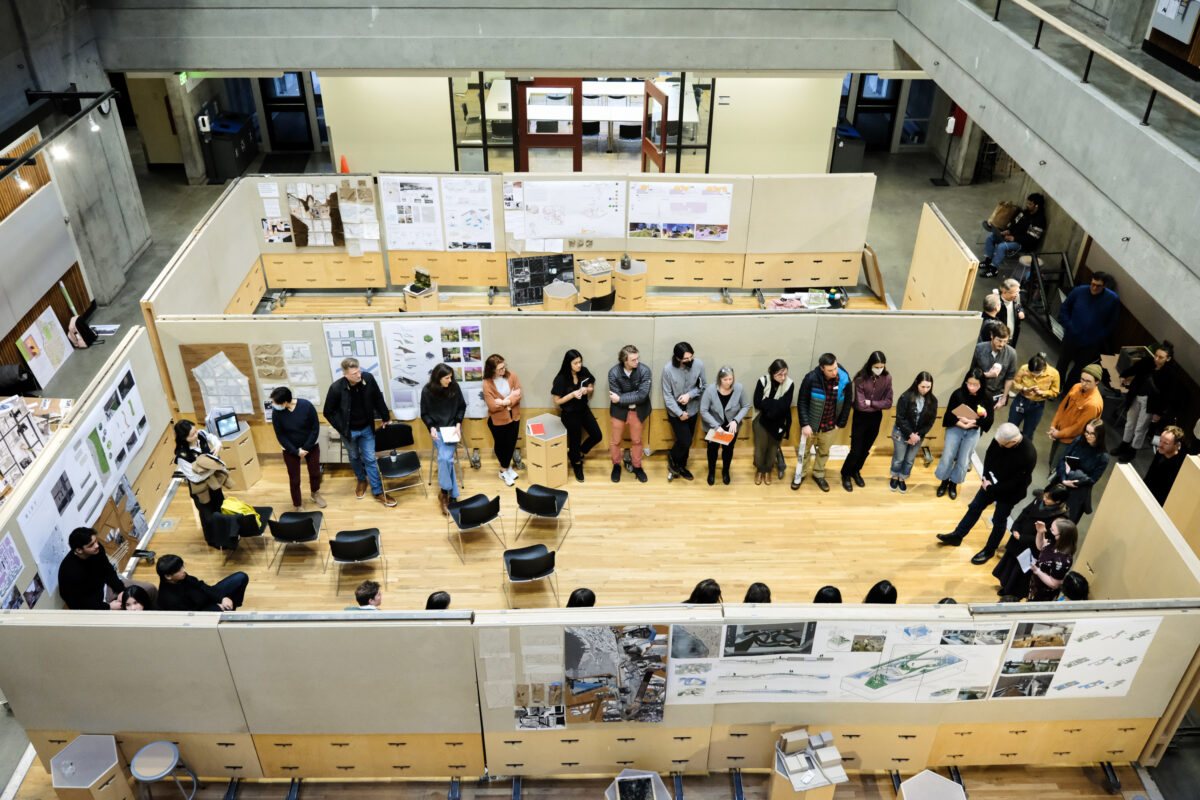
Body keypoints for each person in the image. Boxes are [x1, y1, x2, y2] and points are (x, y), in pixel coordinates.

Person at [937, 422, 1038, 564]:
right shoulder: (1000, 439)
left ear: (1014, 441)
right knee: (974, 508)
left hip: (1009, 493)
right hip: (989, 484)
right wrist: (985, 478)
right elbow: (989, 456)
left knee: (999, 520)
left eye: (1003, 445)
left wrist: (991, 488)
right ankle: (958, 535)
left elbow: (1016, 483)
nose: (1000, 446)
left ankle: (989, 550)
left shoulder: (1028, 454)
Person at [322, 357, 396, 507]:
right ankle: (361, 480)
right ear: (345, 374)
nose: (359, 375)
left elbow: (377, 397)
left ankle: (378, 491)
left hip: (366, 428)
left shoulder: (367, 379)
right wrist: (341, 427)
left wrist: (385, 416)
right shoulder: (336, 388)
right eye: (354, 373)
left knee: (369, 459)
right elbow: (328, 412)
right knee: (354, 456)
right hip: (349, 432)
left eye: (359, 371)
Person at [991, 485, 1071, 599]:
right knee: (1009, 566)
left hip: (1031, 548)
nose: (1045, 499)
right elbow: (1024, 513)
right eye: (1045, 495)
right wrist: (1015, 527)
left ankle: (1013, 594)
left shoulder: (1061, 518)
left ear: (1058, 501)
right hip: (1018, 539)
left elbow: (1047, 538)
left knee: (1020, 574)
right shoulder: (1039, 499)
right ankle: (1006, 587)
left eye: (1049, 498)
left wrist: (1022, 537)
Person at [793, 353, 852, 493]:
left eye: (835, 368)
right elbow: (802, 402)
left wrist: (839, 424)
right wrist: (805, 424)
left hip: (830, 426)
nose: (834, 372)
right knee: (804, 452)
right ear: (822, 368)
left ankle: (819, 474)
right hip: (811, 426)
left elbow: (847, 404)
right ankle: (800, 475)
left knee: (824, 452)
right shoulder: (811, 378)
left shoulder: (845, 380)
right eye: (830, 370)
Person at [58, 527, 154, 610]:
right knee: (129, 609)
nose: (96, 546)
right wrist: (107, 607)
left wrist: (121, 590)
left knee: (150, 589)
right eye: (91, 545)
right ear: (79, 550)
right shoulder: (69, 572)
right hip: (94, 604)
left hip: (105, 587)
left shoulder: (97, 550)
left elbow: (108, 571)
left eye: (96, 541)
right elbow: (78, 603)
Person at [1114, 342, 1178, 464]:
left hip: (1151, 404)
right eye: (1156, 355)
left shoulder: (1170, 374)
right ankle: (1124, 445)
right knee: (1130, 423)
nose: (1157, 359)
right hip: (1136, 396)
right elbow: (1134, 369)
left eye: (1161, 357)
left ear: (1168, 359)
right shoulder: (1147, 362)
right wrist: (1124, 375)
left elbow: (1167, 396)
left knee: (1140, 428)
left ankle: (1133, 450)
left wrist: (1158, 413)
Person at [934, 369, 991, 500]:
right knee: (948, 455)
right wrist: (961, 423)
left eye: (975, 384)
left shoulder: (986, 397)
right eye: (969, 383)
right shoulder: (958, 394)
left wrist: (974, 421)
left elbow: (989, 420)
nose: (971, 387)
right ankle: (944, 481)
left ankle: (954, 483)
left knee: (964, 459)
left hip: (972, 431)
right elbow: (948, 416)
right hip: (956, 427)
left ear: (981, 384)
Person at [841, 351, 893, 492]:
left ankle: (856, 471)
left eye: (882, 366)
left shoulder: (887, 378)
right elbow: (860, 404)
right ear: (870, 365)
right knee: (856, 450)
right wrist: (877, 403)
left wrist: (871, 402)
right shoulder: (860, 378)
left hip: (876, 418)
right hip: (860, 418)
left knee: (865, 449)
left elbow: (888, 403)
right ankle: (845, 474)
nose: (879, 369)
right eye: (877, 366)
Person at [1057, 271, 1120, 387]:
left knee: (1080, 368)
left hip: (1091, 343)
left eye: (1098, 286)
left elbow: (1112, 322)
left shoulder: (1112, 299)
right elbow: (1064, 309)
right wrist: (1069, 326)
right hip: (1071, 337)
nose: (1094, 288)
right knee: (1062, 363)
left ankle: (1068, 390)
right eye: (1093, 284)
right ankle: (1057, 387)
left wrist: (1099, 336)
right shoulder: (1079, 291)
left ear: (1104, 286)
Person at [269, 386, 325, 512]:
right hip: (290, 449)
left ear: (285, 402)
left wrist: (305, 448)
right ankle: (297, 504)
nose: (274, 405)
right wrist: (296, 451)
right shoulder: (277, 412)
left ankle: (315, 494)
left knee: (315, 472)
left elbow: (315, 428)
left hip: (310, 445)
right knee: (294, 479)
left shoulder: (306, 406)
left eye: (276, 402)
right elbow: (280, 435)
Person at [421, 363, 468, 514]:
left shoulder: (454, 387)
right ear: (438, 378)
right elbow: (424, 413)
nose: (450, 380)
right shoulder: (427, 391)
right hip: (437, 430)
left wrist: (459, 425)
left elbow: (461, 406)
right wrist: (431, 428)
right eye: (447, 378)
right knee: (446, 459)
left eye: (451, 377)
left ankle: (444, 493)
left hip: (452, 429)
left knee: (444, 459)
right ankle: (451, 496)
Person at [552, 349, 601, 483]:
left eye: (580, 362)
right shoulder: (561, 378)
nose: (579, 365)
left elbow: (591, 385)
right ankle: (576, 463)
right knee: (575, 440)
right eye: (575, 363)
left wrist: (587, 390)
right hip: (569, 413)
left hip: (583, 409)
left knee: (597, 435)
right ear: (569, 364)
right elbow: (556, 401)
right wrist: (572, 395)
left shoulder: (583, 371)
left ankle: (577, 453)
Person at [607, 344, 652, 483]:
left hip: (638, 411)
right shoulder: (613, 372)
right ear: (624, 361)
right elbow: (617, 395)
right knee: (615, 441)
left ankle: (637, 466)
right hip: (618, 412)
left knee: (637, 441)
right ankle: (616, 465)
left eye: (638, 358)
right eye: (633, 360)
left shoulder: (644, 370)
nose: (637, 362)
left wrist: (621, 398)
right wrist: (633, 395)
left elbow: (643, 395)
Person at [661, 342, 707, 481]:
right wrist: (679, 413)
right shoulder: (668, 369)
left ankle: (681, 466)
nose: (690, 361)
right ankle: (672, 457)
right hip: (676, 412)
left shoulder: (698, 364)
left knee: (688, 441)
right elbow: (667, 396)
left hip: (693, 409)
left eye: (691, 357)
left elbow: (703, 386)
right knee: (685, 440)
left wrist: (690, 395)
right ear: (678, 358)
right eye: (686, 359)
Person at [700, 365, 750, 486]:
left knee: (728, 451)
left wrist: (736, 420)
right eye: (725, 380)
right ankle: (711, 472)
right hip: (714, 427)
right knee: (712, 450)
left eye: (731, 379)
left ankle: (725, 472)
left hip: (731, 428)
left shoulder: (739, 388)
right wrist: (717, 427)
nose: (728, 382)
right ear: (719, 379)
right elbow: (703, 410)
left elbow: (746, 406)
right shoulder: (711, 390)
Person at [1047, 364, 1104, 468]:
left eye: (1088, 381)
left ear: (1097, 382)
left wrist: (1058, 434)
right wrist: (1053, 425)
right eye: (1082, 379)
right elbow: (1062, 407)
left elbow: (1079, 428)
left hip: (1070, 441)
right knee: (1051, 462)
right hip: (1058, 432)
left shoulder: (1093, 404)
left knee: (1058, 468)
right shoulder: (1076, 387)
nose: (1083, 384)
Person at [890, 371, 938, 494]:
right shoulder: (905, 397)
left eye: (928, 387)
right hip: (901, 433)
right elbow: (900, 418)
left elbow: (930, 422)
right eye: (923, 386)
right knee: (899, 458)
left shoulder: (933, 401)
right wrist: (910, 434)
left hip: (918, 436)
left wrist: (917, 435)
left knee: (910, 459)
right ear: (916, 383)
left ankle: (902, 477)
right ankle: (895, 476)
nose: (925, 390)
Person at [1053, 418, 1109, 521]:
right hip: (1062, 481)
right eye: (1086, 432)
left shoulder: (1103, 457)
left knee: (1064, 521)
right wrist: (1064, 479)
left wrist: (1072, 478)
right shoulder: (1078, 440)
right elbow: (1062, 459)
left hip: (1077, 491)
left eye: (1092, 434)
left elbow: (1092, 479)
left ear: (1100, 436)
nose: (1088, 435)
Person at [981, 192, 1046, 277]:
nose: (1027, 205)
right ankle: (987, 260)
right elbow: (1014, 223)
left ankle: (993, 269)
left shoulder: (1039, 220)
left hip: (1023, 244)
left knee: (1002, 246)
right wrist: (1008, 230)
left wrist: (1014, 238)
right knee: (991, 237)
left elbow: (1032, 239)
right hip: (1012, 237)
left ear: (1036, 206)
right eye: (1028, 203)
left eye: (1030, 204)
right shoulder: (1025, 213)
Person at [482, 354, 523, 486]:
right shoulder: (487, 384)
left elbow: (519, 394)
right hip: (497, 420)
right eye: (500, 369)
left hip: (514, 417)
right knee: (501, 445)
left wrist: (504, 401)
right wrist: (511, 398)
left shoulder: (512, 376)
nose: (503, 370)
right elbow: (492, 406)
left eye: (504, 367)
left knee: (511, 444)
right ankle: (504, 470)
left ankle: (505, 468)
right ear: (492, 370)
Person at [155, 554, 248, 612]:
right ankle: (228, 611)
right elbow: (194, 616)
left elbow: (201, 585)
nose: (184, 570)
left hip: (207, 599)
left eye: (183, 566)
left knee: (241, 577)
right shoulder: (169, 599)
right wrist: (217, 608)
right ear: (168, 576)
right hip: (204, 610)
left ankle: (232, 607)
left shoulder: (181, 577)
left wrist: (222, 598)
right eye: (179, 570)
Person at [752, 359, 793, 485]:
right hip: (761, 419)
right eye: (779, 375)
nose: (783, 377)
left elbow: (785, 405)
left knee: (773, 447)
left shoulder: (790, 384)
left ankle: (768, 470)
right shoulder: (763, 381)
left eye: (785, 374)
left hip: (779, 420)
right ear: (772, 373)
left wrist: (767, 401)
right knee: (760, 447)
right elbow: (757, 403)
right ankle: (760, 469)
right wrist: (776, 404)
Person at [174, 419, 228, 508]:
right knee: (208, 517)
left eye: (195, 431)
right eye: (192, 435)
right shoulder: (182, 456)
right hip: (201, 488)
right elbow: (195, 478)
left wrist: (218, 445)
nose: (196, 435)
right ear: (184, 438)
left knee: (221, 506)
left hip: (213, 483)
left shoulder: (201, 434)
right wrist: (214, 468)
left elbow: (211, 437)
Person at [1007, 353, 1060, 439]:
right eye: (1032, 373)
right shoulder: (1024, 368)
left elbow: (1055, 392)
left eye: (1037, 373)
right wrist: (1024, 389)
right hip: (1021, 400)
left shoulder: (1054, 374)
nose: (1034, 375)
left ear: (1043, 368)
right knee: (1010, 428)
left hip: (1037, 406)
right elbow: (1015, 383)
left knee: (1028, 433)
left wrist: (1042, 392)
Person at [1028, 518, 1078, 602]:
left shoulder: (1063, 560)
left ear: (1062, 536)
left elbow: (1054, 584)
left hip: (1044, 593)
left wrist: (1037, 571)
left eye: (1053, 530)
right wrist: (1040, 532)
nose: (1049, 530)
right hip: (1036, 585)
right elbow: (1040, 546)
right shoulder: (1055, 541)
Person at [970, 324, 1017, 411]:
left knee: (986, 420)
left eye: (1005, 341)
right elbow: (970, 371)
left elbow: (1009, 377)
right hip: (976, 391)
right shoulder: (979, 349)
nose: (1002, 344)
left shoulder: (1011, 354)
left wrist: (1004, 398)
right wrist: (985, 375)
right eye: (999, 340)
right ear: (992, 336)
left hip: (994, 394)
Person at [1144, 425, 1186, 506]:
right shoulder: (1161, 451)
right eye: (1160, 441)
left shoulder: (1179, 465)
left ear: (1177, 445)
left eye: (1166, 443)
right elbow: (1150, 472)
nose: (1160, 445)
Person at [996, 279, 1026, 347]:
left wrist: (1021, 312)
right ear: (1004, 292)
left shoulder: (1016, 298)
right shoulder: (996, 303)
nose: (1017, 295)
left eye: (1018, 292)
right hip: (999, 340)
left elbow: (1019, 307)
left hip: (1012, 338)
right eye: (1015, 292)